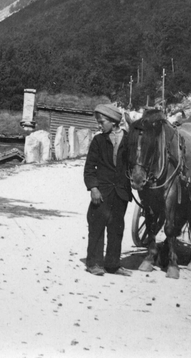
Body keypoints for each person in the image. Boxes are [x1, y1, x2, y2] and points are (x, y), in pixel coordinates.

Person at [83, 103, 132, 276]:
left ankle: (113, 264)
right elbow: (89, 168)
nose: (99, 125)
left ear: (113, 122)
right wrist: (93, 188)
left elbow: (135, 165)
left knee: (116, 228)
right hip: (102, 192)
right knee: (96, 225)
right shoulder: (98, 141)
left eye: (101, 121)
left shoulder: (129, 140)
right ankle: (94, 263)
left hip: (121, 192)